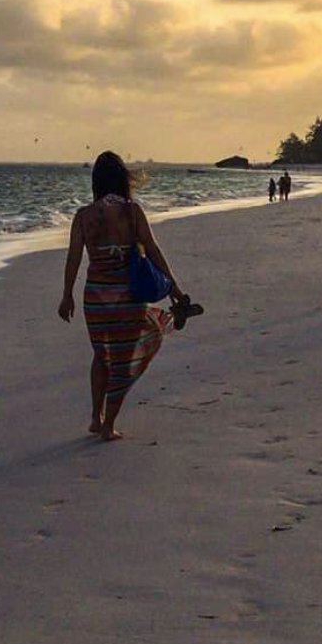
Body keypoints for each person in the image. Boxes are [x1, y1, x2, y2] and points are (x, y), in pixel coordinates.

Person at [58, 151, 200, 442]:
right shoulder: (131, 211)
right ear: (122, 179)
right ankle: (109, 425)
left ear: (96, 182)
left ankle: (96, 418)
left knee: (101, 356)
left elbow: (73, 259)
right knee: (124, 359)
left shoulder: (84, 216)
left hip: (95, 298)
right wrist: (176, 291)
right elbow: (154, 251)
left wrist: (66, 295)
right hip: (127, 299)